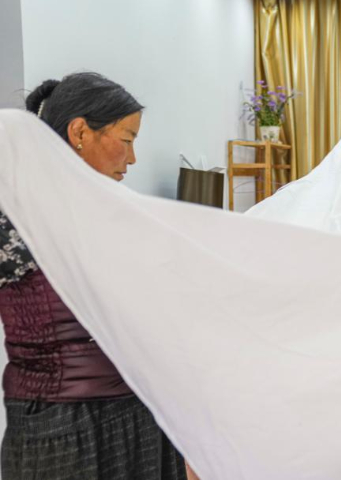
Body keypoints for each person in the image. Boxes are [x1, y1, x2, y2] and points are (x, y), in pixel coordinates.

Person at [0, 73, 189, 479]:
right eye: (126, 139)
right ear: (80, 131)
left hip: (141, 412)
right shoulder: (15, 216)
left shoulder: (118, 215)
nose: (133, 158)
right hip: (61, 427)